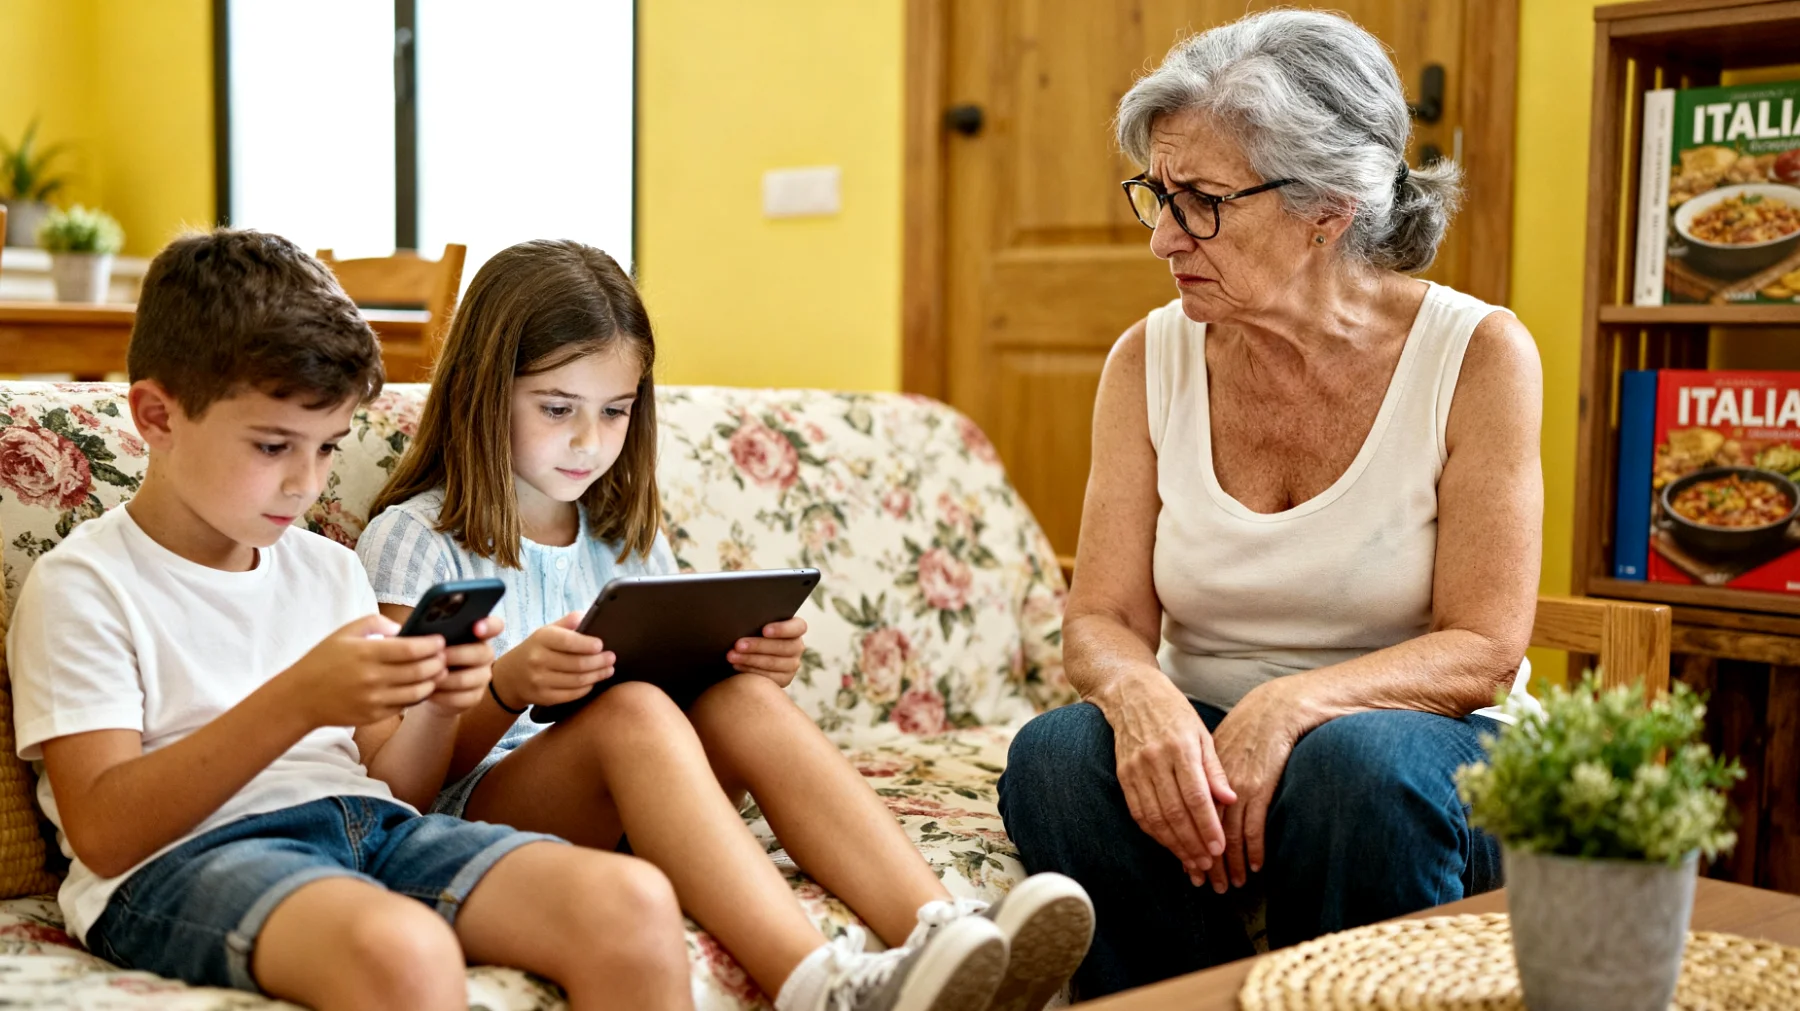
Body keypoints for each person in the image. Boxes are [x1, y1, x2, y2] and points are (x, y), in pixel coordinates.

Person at [355, 239, 1094, 1011]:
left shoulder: (625, 537)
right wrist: (506, 688)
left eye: (615, 411)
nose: (588, 440)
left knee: (739, 697)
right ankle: (817, 982)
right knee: (633, 710)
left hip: (653, 790)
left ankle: (943, 927)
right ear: (483, 390)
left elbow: (680, 687)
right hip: (485, 817)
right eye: (557, 408)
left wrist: (741, 662)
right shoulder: (417, 537)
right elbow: (399, 779)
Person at [996, 9, 1545, 998]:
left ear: (1328, 210)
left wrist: (1295, 703)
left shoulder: (1477, 355)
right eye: (1156, 195)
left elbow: (1484, 647)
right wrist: (1139, 694)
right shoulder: (1147, 359)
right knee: (1057, 757)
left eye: (1201, 201)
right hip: (1212, 728)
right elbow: (1105, 617)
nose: (1163, 238)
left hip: (1412, 735)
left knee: (1353, 772)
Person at [6, 229, 696, 1010]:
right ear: (157, 416)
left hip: (372, 828)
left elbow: (397, 783)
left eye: (328, 447)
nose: (304, 482)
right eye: (273, 445)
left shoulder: (328, 569)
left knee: (632, 903)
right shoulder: (86, 583)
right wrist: (299, 699)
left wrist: (442, 699)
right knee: (401, 950)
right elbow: (103, 830)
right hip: (189, 857)